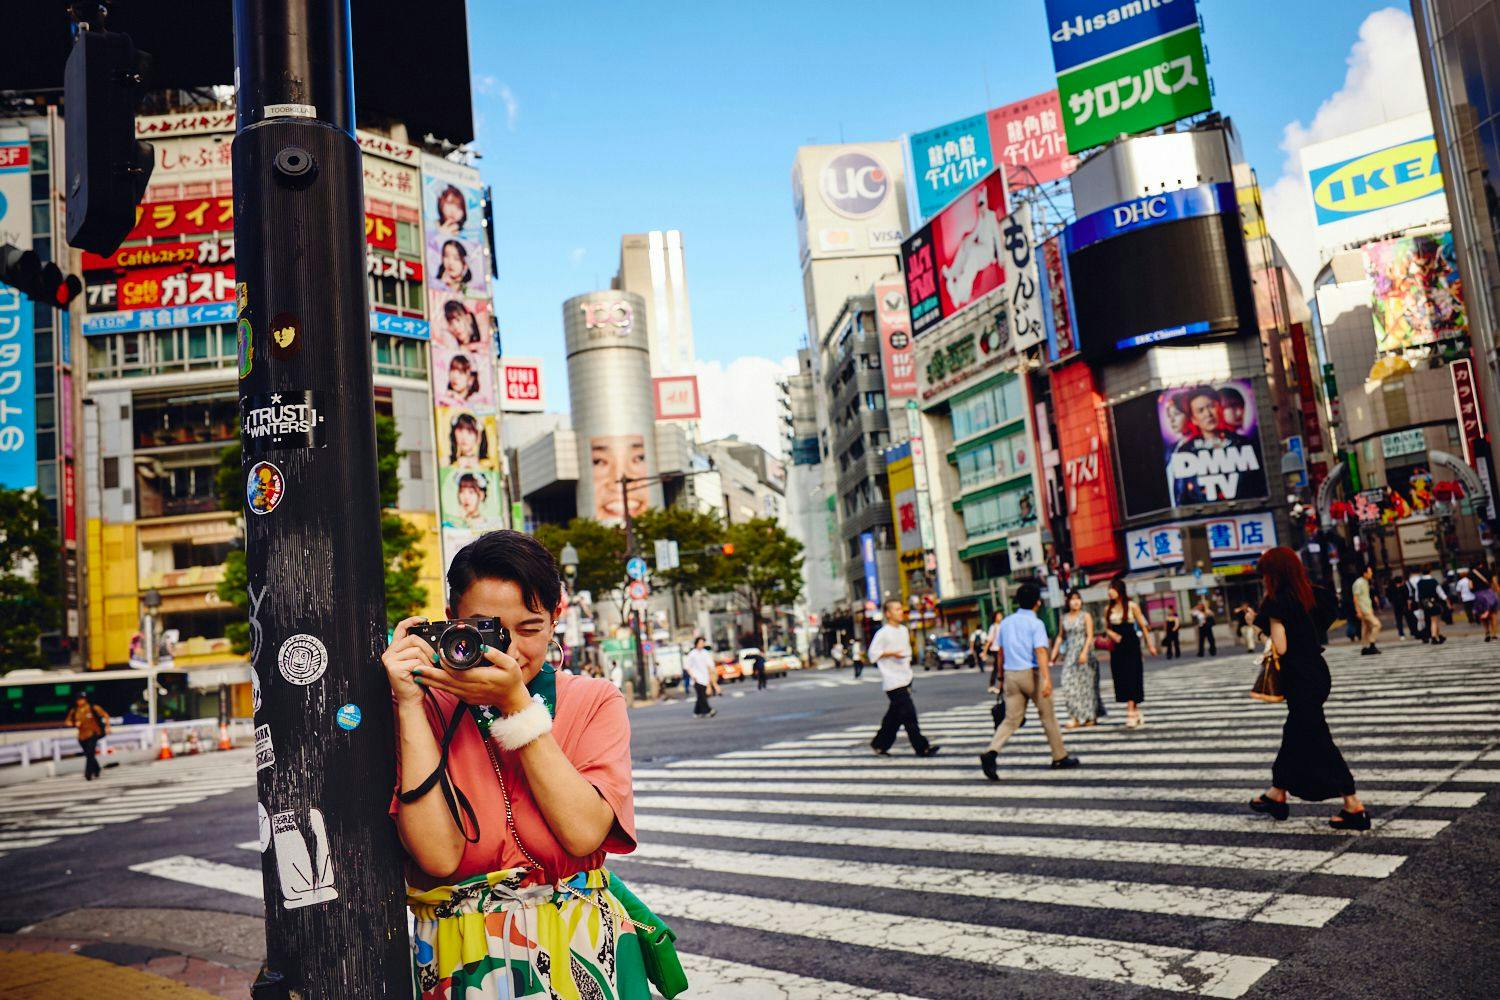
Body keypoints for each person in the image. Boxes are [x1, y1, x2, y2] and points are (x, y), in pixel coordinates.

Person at [382, 530, 666, 998]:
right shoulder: (425, 704)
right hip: (464, 964)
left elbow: (582, 833)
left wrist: (517, 707)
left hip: (583, 953)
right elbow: (438, 855)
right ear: (451, 620)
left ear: (557, 617)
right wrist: (409, 703)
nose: (509, 651)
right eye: (486, 629)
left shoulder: (593, 701)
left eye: (530, 629)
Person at [1247, 546, 1369, 831]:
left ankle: (1354, 805)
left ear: (1274, 574)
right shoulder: (1312, 594)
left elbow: (1281, 647)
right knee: (1295, 733)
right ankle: (1276, 793)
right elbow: (1320, 621)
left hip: (1299, 678)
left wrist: (1258, 627)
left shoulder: (1276, 602)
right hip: (1317, 672)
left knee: (1318, 739)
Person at [979, 583, 1079, 779]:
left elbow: (1001, 652)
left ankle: (991, 752)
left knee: (1011, 719)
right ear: (1037, 603)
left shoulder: (1006, 623)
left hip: (1010, 675)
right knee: (1047, 716)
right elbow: (1040, 651)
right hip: (1031, 674)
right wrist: (1047, 679)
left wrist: (1000, 677)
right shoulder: (1036, 623)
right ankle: (1059, 756)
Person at [868, 599, 938, 758]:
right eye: (897, 609)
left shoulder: (904, 630)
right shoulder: (883, 633)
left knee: (894, 717)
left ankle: (879, 744)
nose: (901, 612)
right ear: (888, 614)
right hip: (892, 681)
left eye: (901, 609)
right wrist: (891, 654)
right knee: (909, 715)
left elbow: (906, 653)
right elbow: (872, 655)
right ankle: (922, 747)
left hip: (905, 677)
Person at [1104, 577, 1157, 729]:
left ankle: (1130, 713)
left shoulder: (1132, 606)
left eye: (1113, 588)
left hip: (1131, 645)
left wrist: (1150, 645)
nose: (1110, 591)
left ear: (1119, 590)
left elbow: (1143, 626)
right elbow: (1106, 627)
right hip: (1117, 648)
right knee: (1122, 678)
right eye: (1109, 588)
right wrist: (1111, 634)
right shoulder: (1108, 609)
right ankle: (1137, 712)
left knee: (1132, 677)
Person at [1052, 589, 1104, 728]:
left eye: (1078, 598)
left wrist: (1084, 652)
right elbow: (1060, 636)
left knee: (1087, 686)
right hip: (1070, 655)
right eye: (1072, 599)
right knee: (1068, 684)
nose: (1076, 602)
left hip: (1086, 654)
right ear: (1068, 602)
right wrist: (1054, 654)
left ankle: (1090, 716)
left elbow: (1090, 635)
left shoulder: (1085, 616)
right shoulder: (1064, 618)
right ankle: (1074, 716)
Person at [64, 692, 109, 781]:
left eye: (82, 699)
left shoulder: (93, 708)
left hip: (93, 733)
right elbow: (67, 722)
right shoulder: (74, 711)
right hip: (81, 736)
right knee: (89, 754)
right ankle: (96, 768)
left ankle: (88, 773)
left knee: (90, 753)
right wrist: (74, 724)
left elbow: (105, 715)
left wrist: (107, 727)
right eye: (79, 699)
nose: (80, 701)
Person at [683, 637, 718, 719]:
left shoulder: (705, 653)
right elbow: (687, 666)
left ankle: (697, 711)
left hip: (705, 678)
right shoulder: (692, 654)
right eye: (701, 642)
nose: (702, 644)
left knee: (700, 696)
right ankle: (708, 710)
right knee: (702, 695)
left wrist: (713, 677)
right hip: (697, 679)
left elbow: (710, 665)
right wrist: (693, 676)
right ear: (696, 643)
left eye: (703, 643)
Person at [1352, 564, 1382, 655]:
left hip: (1367, 609)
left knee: (1366, 628)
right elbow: (1355, 598)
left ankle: (1364, 648)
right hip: (1364, 610)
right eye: (1370, 572)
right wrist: (1358, 611)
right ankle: (1372, 644)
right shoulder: (1359, 583)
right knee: (1377, 624)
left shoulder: (1365, 582)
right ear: (1364, 573)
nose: (1371, 573)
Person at [1415, 565, 1448, 644]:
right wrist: (1446, 599)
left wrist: (1418, 603)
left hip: (1424, 603)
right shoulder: (1433, 581)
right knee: (1434, 620)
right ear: (1430, 571)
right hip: (1433, 602)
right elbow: (1440, 592)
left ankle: (1439, 636)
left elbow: (1417, 595)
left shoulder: (1419, 583)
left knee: (1433, 620)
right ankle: (1433, 637)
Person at [1385, 573, 1412, 639]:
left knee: (1399, 620)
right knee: (1408, 619)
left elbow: (1388, 596)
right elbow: (1407, 595)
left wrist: (1392, 601)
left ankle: (1401, 634)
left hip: (1396, 605)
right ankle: (1411, 632)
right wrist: (1408, 604)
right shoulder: (1403, 586)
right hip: (1403, 605)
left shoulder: (1391, 588)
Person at [985, 609, 1004, 694]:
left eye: (1001, 615)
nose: (1000, 617)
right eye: (998, 616)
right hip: (996, 649)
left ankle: (1001, 686)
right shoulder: (993, 627)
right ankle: (992, 685)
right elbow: (989, 640)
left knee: (1003, 667)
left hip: (1003, 649)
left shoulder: (1003, 625)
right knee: (997, 668)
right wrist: (984, 651)